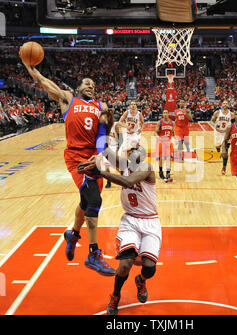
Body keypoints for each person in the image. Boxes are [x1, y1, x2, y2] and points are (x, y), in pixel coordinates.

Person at [23, 63, 116, 276]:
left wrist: (101, 153)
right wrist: (32, 69)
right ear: (78, 87)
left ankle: (73, 234)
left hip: (94, 157)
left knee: (86, 202)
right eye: (87, 84)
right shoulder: (67, 99)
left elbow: (102, 131)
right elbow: (45, 83)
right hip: (76, 158)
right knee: (95, 201)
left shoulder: (100, 105)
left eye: (93, 85)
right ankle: (93, 254)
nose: (91, 86)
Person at [77, 144, 161, 315]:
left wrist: (99, 172)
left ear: (143, 156)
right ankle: (115, 295)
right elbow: (106, 151)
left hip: (150, 221)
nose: (133, 153)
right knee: (124, 265)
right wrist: (101, 136)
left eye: (137, 151)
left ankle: (141, 280)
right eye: (131, 152)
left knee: (149, 268)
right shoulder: (125, 167)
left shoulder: (147, 168)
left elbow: (128, 181)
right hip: (130, 220)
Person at [210, 100, 234, 175]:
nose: (225, 104)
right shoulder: (217, 112)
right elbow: (211, 121)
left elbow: (235, 124)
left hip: (226, 133)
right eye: (224, 103)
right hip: (218, 132)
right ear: (221, 105)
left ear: (229, 105)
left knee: (225, 149)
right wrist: (214, 125)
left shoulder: (232, 114)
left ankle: (224, 167)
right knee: (218, 146)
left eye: (226, 103)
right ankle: (218, 150)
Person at [155, 109, 174, 182]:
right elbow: (155, 132)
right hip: (161, 142)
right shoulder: (159, 122)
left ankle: (168, 173)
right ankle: (160, 171)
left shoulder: (172, 122)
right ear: (162, 114)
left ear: (168, 114)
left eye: (166, 113)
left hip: (169, 143)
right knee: (161, 158)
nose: (165, 114)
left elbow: (173, 131)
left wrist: (175, 137)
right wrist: (157, 136)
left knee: (169, 158)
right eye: (164, 113)